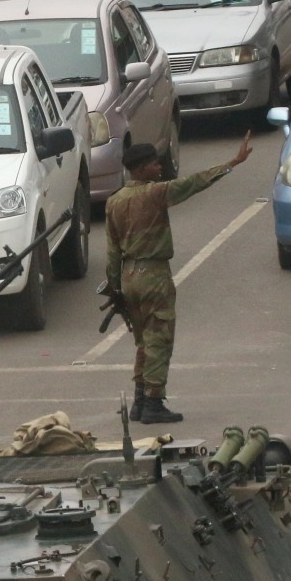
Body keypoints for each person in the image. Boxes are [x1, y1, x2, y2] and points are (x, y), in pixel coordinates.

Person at [105, 133, 253, 424]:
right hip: (154, 275)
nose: (159, 168)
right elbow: (195, 183)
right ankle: (153, 402)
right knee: (159, 338)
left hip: (129, 276)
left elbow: (111, 251)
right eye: (154, 164)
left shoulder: (114, 202)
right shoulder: (155, 193)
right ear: (141, 168)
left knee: (143, 341)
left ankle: (138, 400)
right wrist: (232, 163)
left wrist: (115, 288)